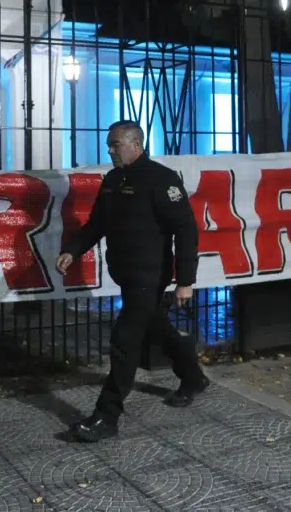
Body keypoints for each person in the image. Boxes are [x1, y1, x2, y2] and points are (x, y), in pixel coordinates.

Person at [56, 120, 209, 443]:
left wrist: (185, 281)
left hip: (150, 274)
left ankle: (106, 417)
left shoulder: (162, 180)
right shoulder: (113, 180)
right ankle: (193, 377)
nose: (110, 151)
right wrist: (73, 250)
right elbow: (98, 223)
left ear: (135, 144)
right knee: (155, 327)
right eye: (109, 145)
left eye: (115, 145)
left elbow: (186, 230)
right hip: (125, 273)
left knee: (125, 342)